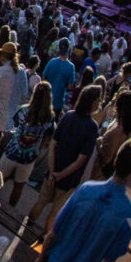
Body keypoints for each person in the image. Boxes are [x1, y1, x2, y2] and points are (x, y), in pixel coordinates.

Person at [37, 136, 131, 262]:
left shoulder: (86, 190)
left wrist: (42, 257)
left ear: (116, 160)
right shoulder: (128, 212)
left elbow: (53, 233)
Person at [26, 84, 102, 237]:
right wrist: (60, 175)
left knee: (40, 202)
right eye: (97, 101)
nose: (99, 104)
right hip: (69, 179)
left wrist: (53, 171)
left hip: (52, 172)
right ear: (91, 102)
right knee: (55, 212)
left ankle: (27, 226)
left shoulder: (69, 116)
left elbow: (53, 143)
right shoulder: (92, 127)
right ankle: (42, 240)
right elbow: (81, 160)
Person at [0, 80, 55, 206]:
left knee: (0, 180)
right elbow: (47, 136)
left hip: (12, 151)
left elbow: (16, 124)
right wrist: (38, 150)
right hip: (29, 157)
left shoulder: (24, 110)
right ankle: (10, 209)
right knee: (19, 187)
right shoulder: (49, 117)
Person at [42, 38, 77, 116]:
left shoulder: (51, 62)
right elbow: (70, 86)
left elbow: (43, 78)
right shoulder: (71, 67)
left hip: (46, 99)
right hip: (58, 102)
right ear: (68, 49)